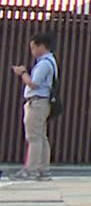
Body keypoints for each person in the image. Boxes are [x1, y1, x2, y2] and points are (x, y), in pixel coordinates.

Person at [6, 33, 57, 183]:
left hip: (37, 102)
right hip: (43, 102)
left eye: (34, 48)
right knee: (41, 136)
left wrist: (22, 73)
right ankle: (43, 169)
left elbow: (34, 83)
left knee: (34, 137)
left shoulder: (44, 63)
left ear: (42, 46)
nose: (32, 51)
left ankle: (31, 169)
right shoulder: (50, 61)